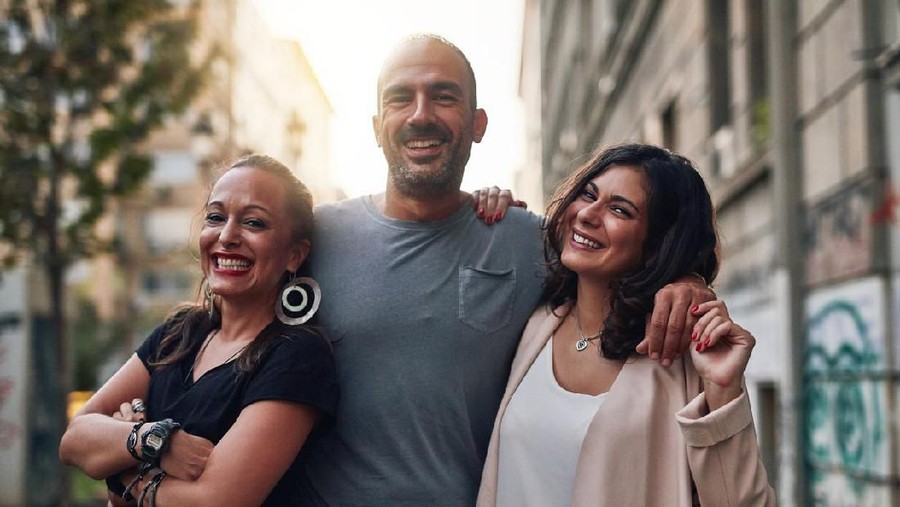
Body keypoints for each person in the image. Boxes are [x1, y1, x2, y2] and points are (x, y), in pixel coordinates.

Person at [296, 34, 712, 504]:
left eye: (443, 96)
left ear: (478, 124)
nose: (420, 114)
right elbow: (233, 328)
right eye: (400, 98)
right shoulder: (314, 238)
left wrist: (685, 284)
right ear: (376, 126)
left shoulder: (528, 240)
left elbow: (621, 261)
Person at [477, 144, 775, 506]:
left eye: (620, 209)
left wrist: (724, 389)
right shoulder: (538, 323)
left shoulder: (683, 357)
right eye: (588, 194)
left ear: (657, 244)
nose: (587, 214)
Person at [59, 154, 339, 506]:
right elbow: (74, 439)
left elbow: (214, 501)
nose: (227, 235)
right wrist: (152, 440)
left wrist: (121, 471)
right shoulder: (180, 332)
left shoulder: (297, 356)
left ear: (294, 255)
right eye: (216, 217)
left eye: (253, 223)